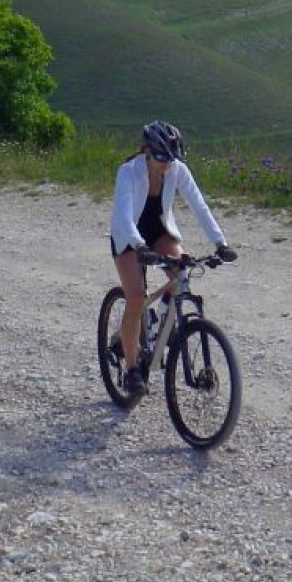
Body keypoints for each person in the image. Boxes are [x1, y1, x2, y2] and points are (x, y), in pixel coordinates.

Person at [109, 120, 235, 400]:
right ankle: (131, 370)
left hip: (158, 231)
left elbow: (198, 204)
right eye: (161, 156)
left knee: (182, 274)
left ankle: (157, 324)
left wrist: (220, 242)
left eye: (172, 157)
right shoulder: (128, 172)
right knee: (136, 296)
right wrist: (139, 246)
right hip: (129, 236)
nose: (167, 163)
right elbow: (124, 215)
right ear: (147, 151)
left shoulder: (177, 169)